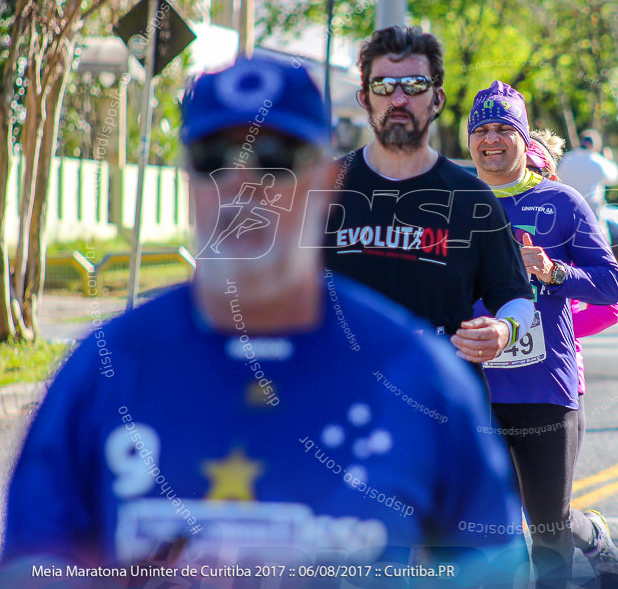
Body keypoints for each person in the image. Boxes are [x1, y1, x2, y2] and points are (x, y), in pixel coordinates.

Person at [3, 56, 527, 582]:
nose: (241, 183)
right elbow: (33, 564)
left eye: (273, 158)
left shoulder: (420, 378)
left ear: (326, 182)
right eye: (214, 158)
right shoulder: (103, 371)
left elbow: (492, 572)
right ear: (187, 179)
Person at [467, 82, 618, 589]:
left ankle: (592, 533)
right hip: (471, 388)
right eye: (482, 130)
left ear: (521, 136)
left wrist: (554, 271)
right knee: (483, 523)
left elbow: (608, 286)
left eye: (503, 129)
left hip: (544, 386)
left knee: (550, 523)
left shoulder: (560, 201)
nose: (492, 140)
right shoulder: (449, 202)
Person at [320, 26, 534, 368]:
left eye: (415, 85)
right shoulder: (321, 191)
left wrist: (503, 330)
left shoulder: (472, 199)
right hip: (339, 391)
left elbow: (516, 296)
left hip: (440, 397)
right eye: (384, 86)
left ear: (437, 99)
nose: (399, 99)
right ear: (364, 97)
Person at [526, 128, 618, 471]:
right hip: (496, 383)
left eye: (533, 172)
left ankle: (591, 529)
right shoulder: (484, 216)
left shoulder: (572, 217)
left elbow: (609, 308)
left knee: (552, 517)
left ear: (550, 176)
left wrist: (553, 329)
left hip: (557, 377)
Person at [556, 129, 618, 216]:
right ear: (595, 144)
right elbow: (614, 178)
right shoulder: (599, 161)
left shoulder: (567, 158)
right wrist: (610, 160)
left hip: (566, 205)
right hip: (591, 208)